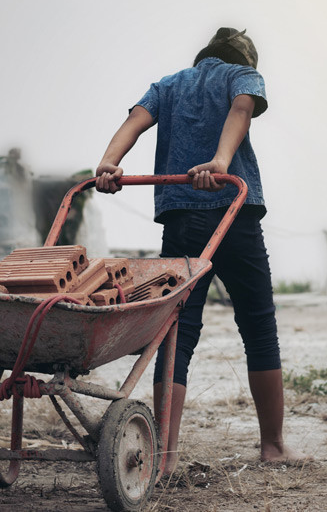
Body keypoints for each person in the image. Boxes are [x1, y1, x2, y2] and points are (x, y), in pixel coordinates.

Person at [94, 27, 308, 476]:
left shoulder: (168, 85)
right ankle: (272, 446)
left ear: (203, 55)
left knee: (177, 332)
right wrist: (222, 162)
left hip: (183, 219)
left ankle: (165, 457)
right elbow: (243, 108)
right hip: (235, 212)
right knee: (258, 328)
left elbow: (134, 121)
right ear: (244, 60)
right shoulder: (242, 76)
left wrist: (109, 164)